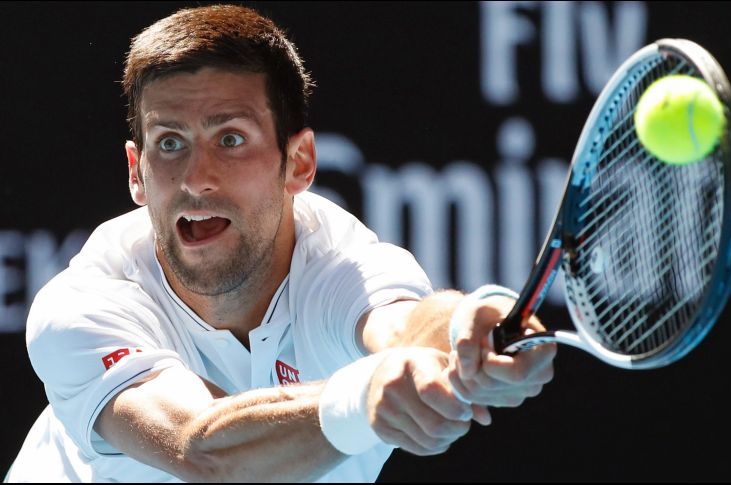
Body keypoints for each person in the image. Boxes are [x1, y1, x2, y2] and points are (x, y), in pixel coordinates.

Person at [6, 5, 556, 483]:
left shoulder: (339, 264)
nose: (197, 178)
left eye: (231, 139)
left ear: (299, 163)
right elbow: (203, 449)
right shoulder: (81, 308)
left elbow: (406, 325)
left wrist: (467, 327)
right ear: (137, 172)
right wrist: (360, 400)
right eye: (169, 143)